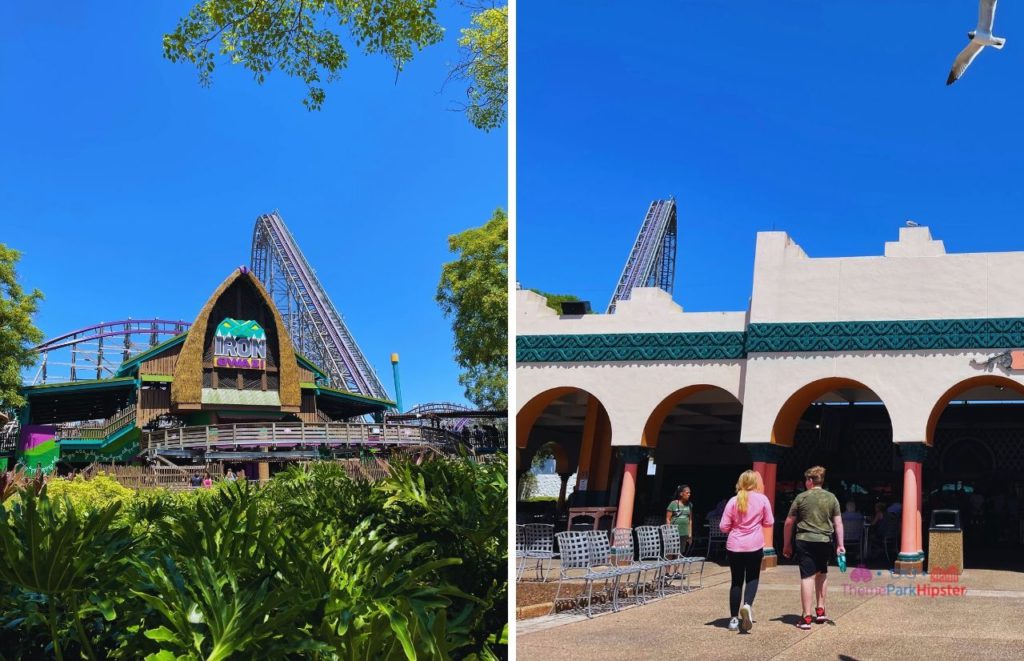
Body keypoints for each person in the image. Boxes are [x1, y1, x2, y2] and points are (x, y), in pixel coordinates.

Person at [783, 466, 844, 631]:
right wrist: (841, 544)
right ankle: (821, 610)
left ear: (810, 481)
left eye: (806, 480)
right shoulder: (832, 498)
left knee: (807, 577)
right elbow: (838, 522)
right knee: (822, 574)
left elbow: (789, 522)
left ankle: (806, 616)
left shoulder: (801, 498)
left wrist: (786, 543)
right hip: (825, 540)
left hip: (805, 540)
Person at [720, 470, 774, 633]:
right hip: (754, 545)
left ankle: (733, 620)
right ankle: (747, 605)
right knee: (752, 577)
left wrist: (735, 527)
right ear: (754, 483)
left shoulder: (733, 501)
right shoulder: (762, 499)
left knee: (736, 581)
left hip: (735, 545)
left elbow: (723, 527)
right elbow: (769, 522)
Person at [666, 485, 694, 553]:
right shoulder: (673, 504)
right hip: (674, 533)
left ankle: (676, 564)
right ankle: (669, 564)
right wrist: (669, 532)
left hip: (684, 533)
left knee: (679, 553)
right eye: (687, 493)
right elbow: (668, 519)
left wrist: (690, 534)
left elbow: (690, 520)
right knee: (670, 552)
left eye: (689, 493)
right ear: (681, 494)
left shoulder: (690, 505)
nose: (689, 494)